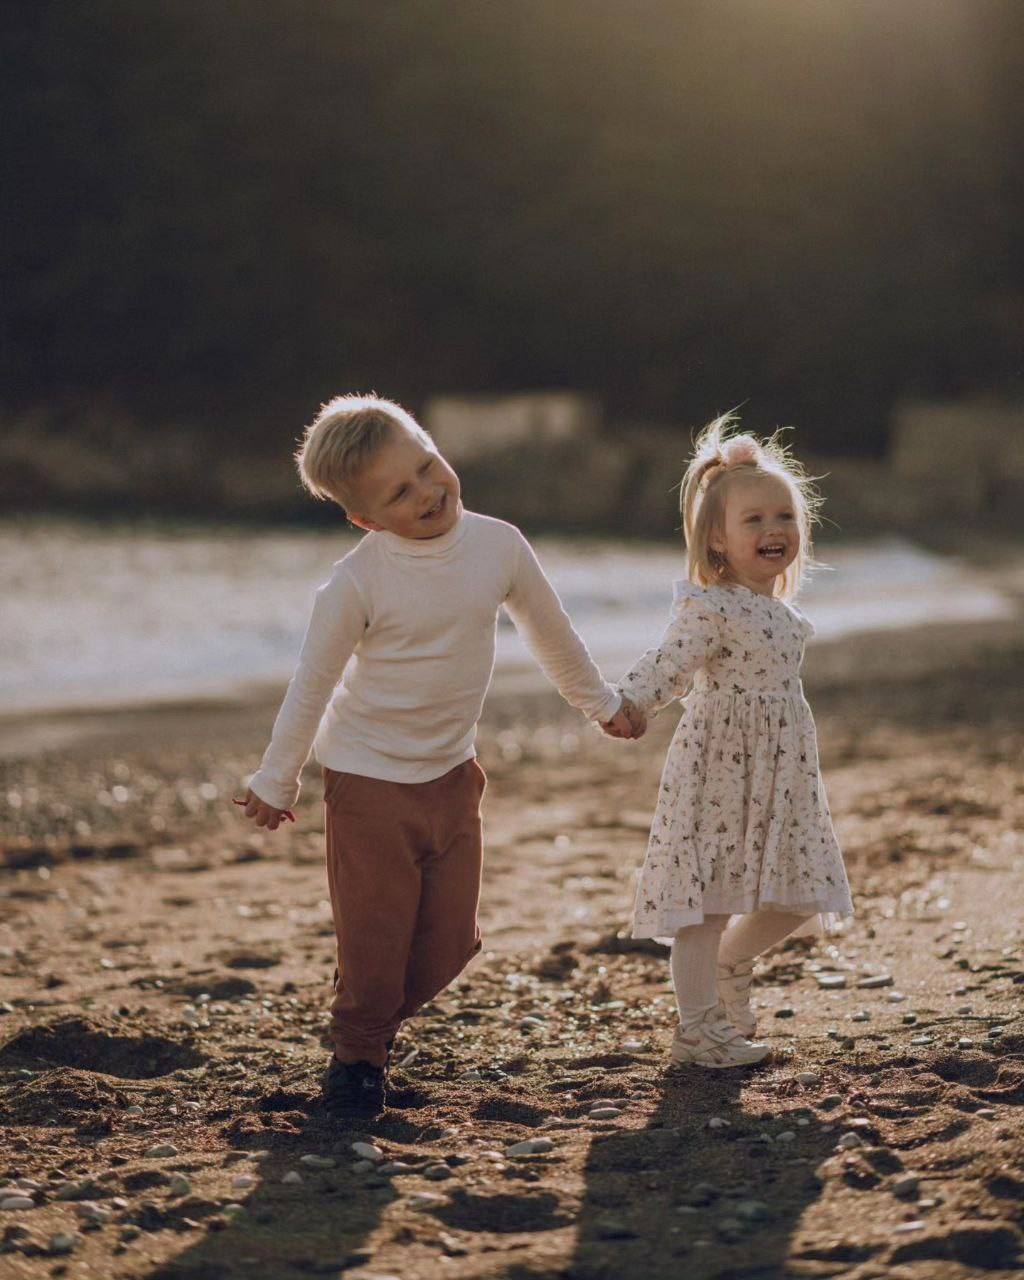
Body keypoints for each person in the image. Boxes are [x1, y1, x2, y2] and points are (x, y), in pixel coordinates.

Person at [237, 393, 643, 1114]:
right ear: (366, 517)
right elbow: (312, 686)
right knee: (374, 940)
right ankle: (357, 1060)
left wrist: (602, 704)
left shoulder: (498, 545)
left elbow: (551, 633)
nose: (428, 492)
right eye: (400, 491)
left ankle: (369, 1021)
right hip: (366, 784)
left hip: (454, 777)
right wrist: (278, 779)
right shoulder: (358, 581)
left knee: (453, 942)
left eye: (428, 466)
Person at [616, 413, 853, 1069]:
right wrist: (629, 703)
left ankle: (729, 963)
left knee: (802, 893)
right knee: (707, 901)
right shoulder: (710, 605)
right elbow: (670, 663)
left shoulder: (781, 610)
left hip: (782, 773)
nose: (774, 530)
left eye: (784, 517)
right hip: (718, 768)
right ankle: (697, 1028)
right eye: (754, 520)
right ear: (716, 539)